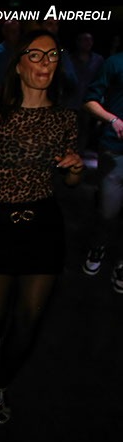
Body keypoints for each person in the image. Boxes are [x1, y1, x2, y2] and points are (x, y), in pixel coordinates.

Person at [0, 30, 82, 424]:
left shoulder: (65, 118)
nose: (45, 63)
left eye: (52, 55)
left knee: (30, 317)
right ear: (19, 65)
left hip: (44, 225)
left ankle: (1, 384)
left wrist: (75, 168)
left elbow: (71, 181)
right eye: (36, 55)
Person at [81, 51, 123, 292]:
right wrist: (113, 120)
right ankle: (98, 246)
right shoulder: (115, 62)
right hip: (114, 151)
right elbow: (90, 101)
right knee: (107, 212)